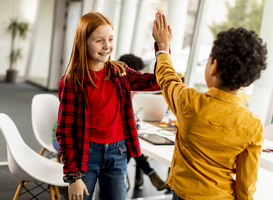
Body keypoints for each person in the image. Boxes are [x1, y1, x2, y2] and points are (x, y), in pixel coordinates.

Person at [152, 12, 267, 200]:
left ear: (214, 66)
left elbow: (166, 77)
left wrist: (163, 47)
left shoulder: (188, 101)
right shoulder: (253, 125)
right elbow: (246, 185)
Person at [56, 12, 161, 200]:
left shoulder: (120, 72)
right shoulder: (72, 81)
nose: (107, 46)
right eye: (99, 41)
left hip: (118, 152)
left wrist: (161, 48)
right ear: (83, 41)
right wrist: (73, 177)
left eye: (110, 39)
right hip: (86, 155)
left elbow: (156, 82)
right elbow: (65, 131)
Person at [118, 54, 168, 191]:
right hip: (117, 133)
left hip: (125, 128)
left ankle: (140, 174)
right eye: (136, 71)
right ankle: (148, 173)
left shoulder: (131, 86)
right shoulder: (121, 84)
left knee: (131, 146)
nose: (138, 74)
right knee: (131, 146)